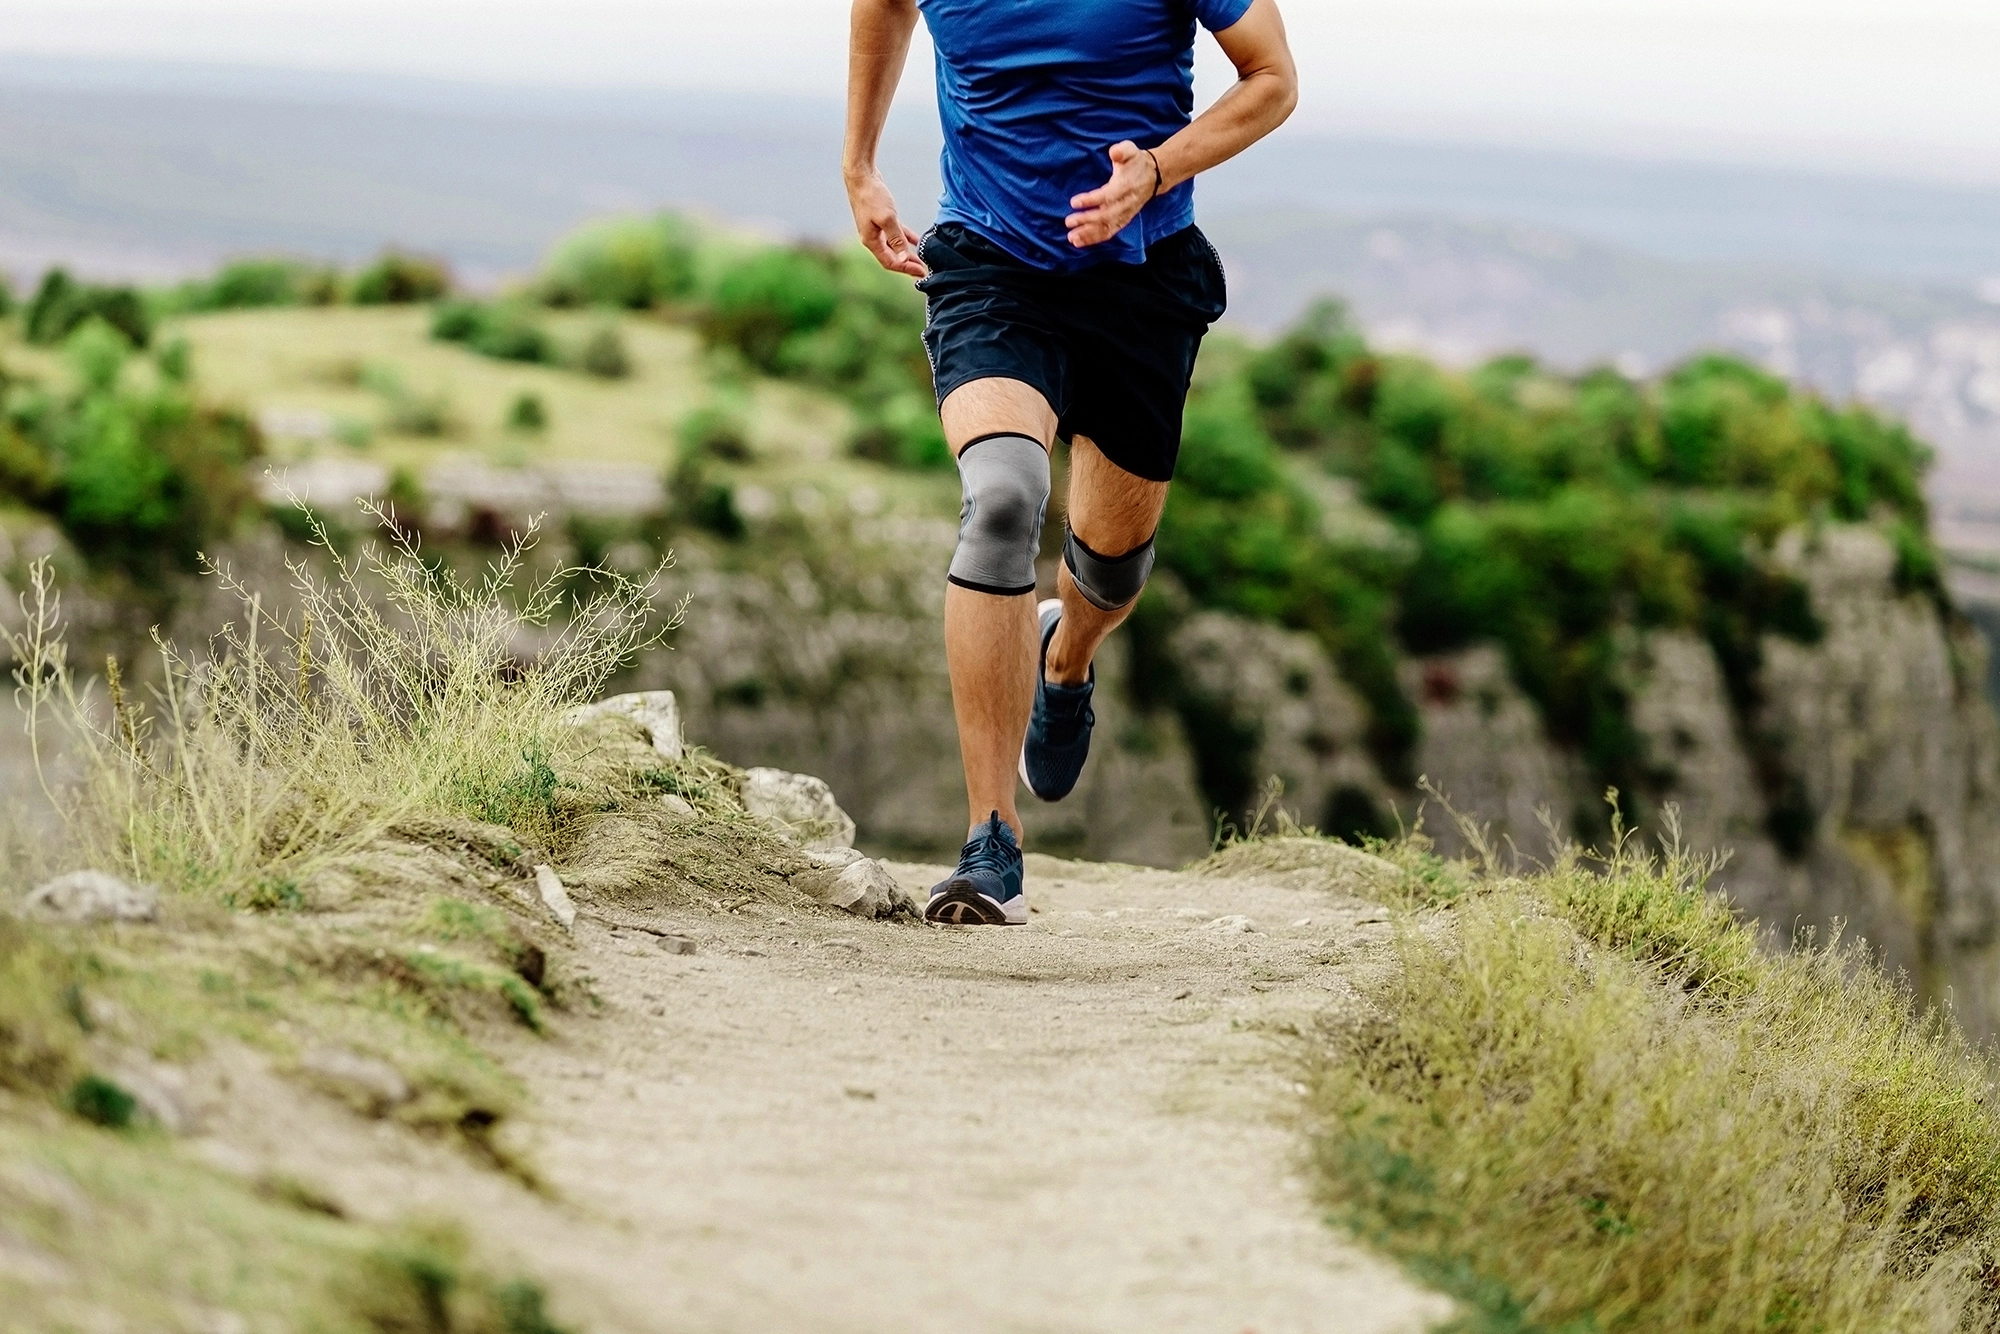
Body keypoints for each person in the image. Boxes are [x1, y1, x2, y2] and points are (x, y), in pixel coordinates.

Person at [844, 0, 1297, 924]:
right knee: (1004, 501)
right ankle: (989, 841)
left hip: (1145, 270)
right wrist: (860, 166)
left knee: (1111, 562)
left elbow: (1273, 78)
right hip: (991, 261)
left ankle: (1067, 658)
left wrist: (1158, 170)